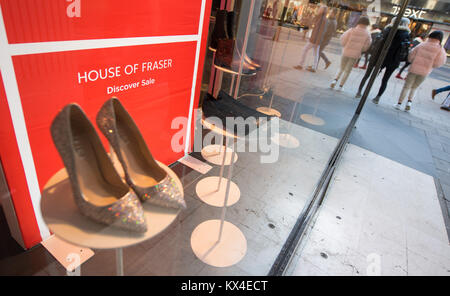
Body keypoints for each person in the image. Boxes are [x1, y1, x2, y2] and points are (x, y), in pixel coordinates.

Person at [355, 17, 411, 104]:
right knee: (385, 80)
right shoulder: (405, 34)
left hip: (378, 56)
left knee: (367, 75)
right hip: (393, 60)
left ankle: (359, 91)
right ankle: (377, 97)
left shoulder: (387, 30)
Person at [394, 31, 446, 111]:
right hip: (425, 71)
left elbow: (411, 56)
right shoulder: (440, 49)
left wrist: (413, 61)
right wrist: (431, 65)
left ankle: (399, 103)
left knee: (406, 86)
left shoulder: (422, 45)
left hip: (414, 69)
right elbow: (439, 63)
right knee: (414, 87)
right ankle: (409, 102)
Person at [330, 16, 371, 91]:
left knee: (341, 67)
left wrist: (344, 45)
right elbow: (367, 45)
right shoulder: (367, 34)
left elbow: (343, 38)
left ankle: (335, 80)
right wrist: (361, 50)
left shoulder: (352, 30)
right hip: (355, 54)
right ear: (367, 24)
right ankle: (340, 86)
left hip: (346, 51)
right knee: (347, 70)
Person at [294, 4, 328, 72]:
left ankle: (300, 65)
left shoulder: (322, 19)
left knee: (305, 50)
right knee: (315, 53)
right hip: (316, 40)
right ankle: (314, 67)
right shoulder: (321, 18)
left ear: (322, 11)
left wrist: (316, 40)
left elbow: (320, 31)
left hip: (314, 40)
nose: (319, 9)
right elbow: (313, 23)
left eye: (320, 9)